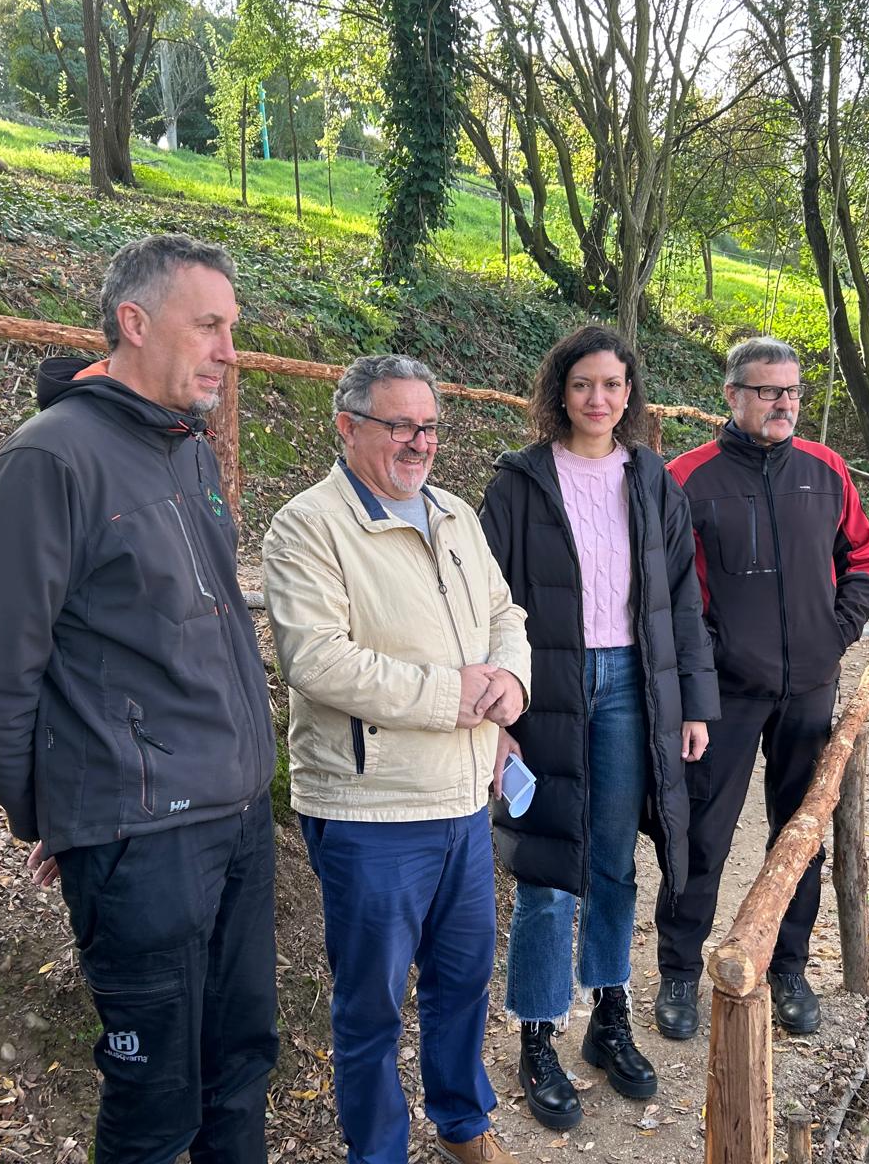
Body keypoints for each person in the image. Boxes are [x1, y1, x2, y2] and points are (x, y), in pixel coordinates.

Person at [0, 234, 279, 1164]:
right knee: (154, 1107)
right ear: (135, 323)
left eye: (232, 328)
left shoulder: (188, 450)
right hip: (147, 842)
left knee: (240, 1071)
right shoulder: (51, 461)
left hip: (239, 819)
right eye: (207, 325)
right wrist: (66, 810)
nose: (228, 350)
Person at [261, 354, 532, 1164]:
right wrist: (455, 694)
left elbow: (502, 611)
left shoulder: (453, 514)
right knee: (371, 1004)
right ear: (348, 427)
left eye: (429, 426)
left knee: (462, 980)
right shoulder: (307, 526)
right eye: (399, 425)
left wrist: (511, 681)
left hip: (461, 799)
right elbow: (319, 662)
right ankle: (377, 1150)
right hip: (371, 808)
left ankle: (462, 1122)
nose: (419, 443)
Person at [476, 325, 719, 1130]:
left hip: (631, 686)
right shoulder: (518, 483)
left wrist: (691, 703)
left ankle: (608, 1012)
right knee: (548, 866)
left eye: (613, 385)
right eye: (584, 384)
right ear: (559, 391)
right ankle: (539, 1032)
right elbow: (482, 600)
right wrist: (495, 717)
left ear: (630, 395)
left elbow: (681, 599)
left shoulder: (651, 479)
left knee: (614, 861)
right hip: (544, 685)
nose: (599, 399)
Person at [651, 335, 869, 1039]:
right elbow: (671, 593)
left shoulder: (827, 470)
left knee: (798, 833)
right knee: (698, 834)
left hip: (809, 687)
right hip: (722, 694)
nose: (783, 403)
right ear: (732, 395)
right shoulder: (687, 478)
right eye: (767, 390)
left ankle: (789, 967)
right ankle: (679, 974)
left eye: (792, 391)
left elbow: (863, 560)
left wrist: (834, 634)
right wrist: (712, 662)